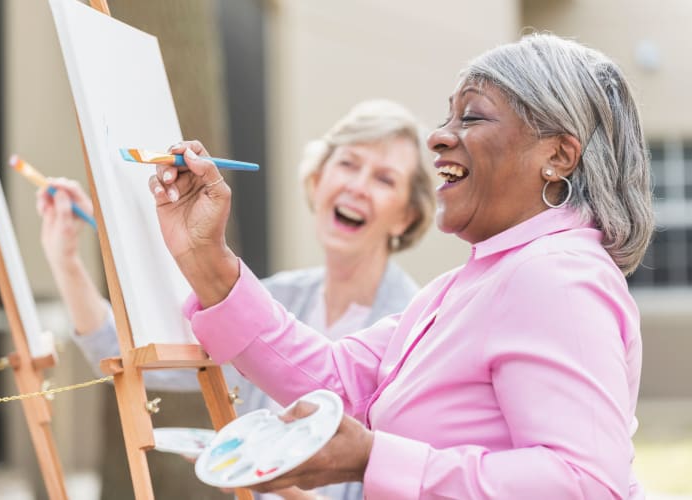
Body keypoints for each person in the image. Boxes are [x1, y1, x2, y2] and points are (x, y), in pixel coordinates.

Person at [148, 32, 654, 499]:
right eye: (448, 116)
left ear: (559, 155)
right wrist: (205, 257)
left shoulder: (555, 275)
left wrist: (373, 458)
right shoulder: (468, 284)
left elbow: (586, 484)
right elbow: (338, 383)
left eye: (472, 117)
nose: (437, 137)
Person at [37, 100, 436, 500]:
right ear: (318, 179)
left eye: (384, 179)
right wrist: (66, 260)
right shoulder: (270, 301)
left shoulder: (417, 332)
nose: (358, 186)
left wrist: (263, 475)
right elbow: (125, 352)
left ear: (407, 216)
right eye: (348, 164)